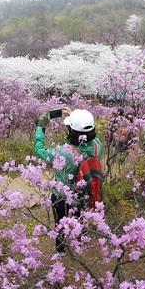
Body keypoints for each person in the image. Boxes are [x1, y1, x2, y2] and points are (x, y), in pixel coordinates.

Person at [34, 108, 104, 254]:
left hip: (61, 195)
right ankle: (80, 244)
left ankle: (60, 250)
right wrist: (78, 119)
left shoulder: (63, 152)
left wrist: (41, 127)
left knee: (60, 223)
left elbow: (39, 150)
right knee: (80, 218)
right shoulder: (97, 145)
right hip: (83, 193)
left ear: (71, 131)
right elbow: (90, 134)